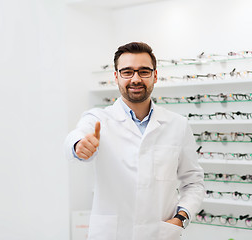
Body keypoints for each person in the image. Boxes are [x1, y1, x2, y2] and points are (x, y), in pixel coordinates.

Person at [64, 42, 204, 240]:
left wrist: (181, 217)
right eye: (127, 72)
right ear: (116, 76)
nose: (136, 79)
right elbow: (76, 135)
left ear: (155, 75)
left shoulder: (177, 125)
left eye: (144, 72)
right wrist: (79, 144)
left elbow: (194, 182)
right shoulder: (98, 119)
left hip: (160, 234)